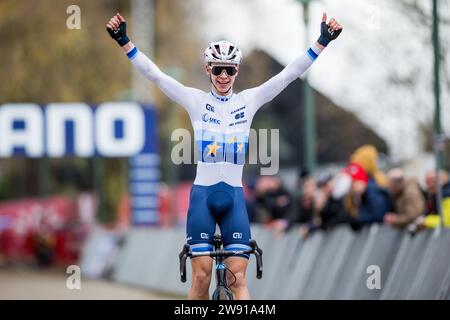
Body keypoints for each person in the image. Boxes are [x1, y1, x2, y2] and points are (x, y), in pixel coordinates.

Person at [106, 12, 342, 300]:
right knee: (201, 279)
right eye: (217, 69)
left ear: (237, 72)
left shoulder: (249, 100)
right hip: (203, 198)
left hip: (233, 197)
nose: (223, 76)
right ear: (208, 70)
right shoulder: (196, 101)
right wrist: (124, 41)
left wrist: (322, 42)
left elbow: (289, 75)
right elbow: (155, 75)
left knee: (239, 278)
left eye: (230, 70)